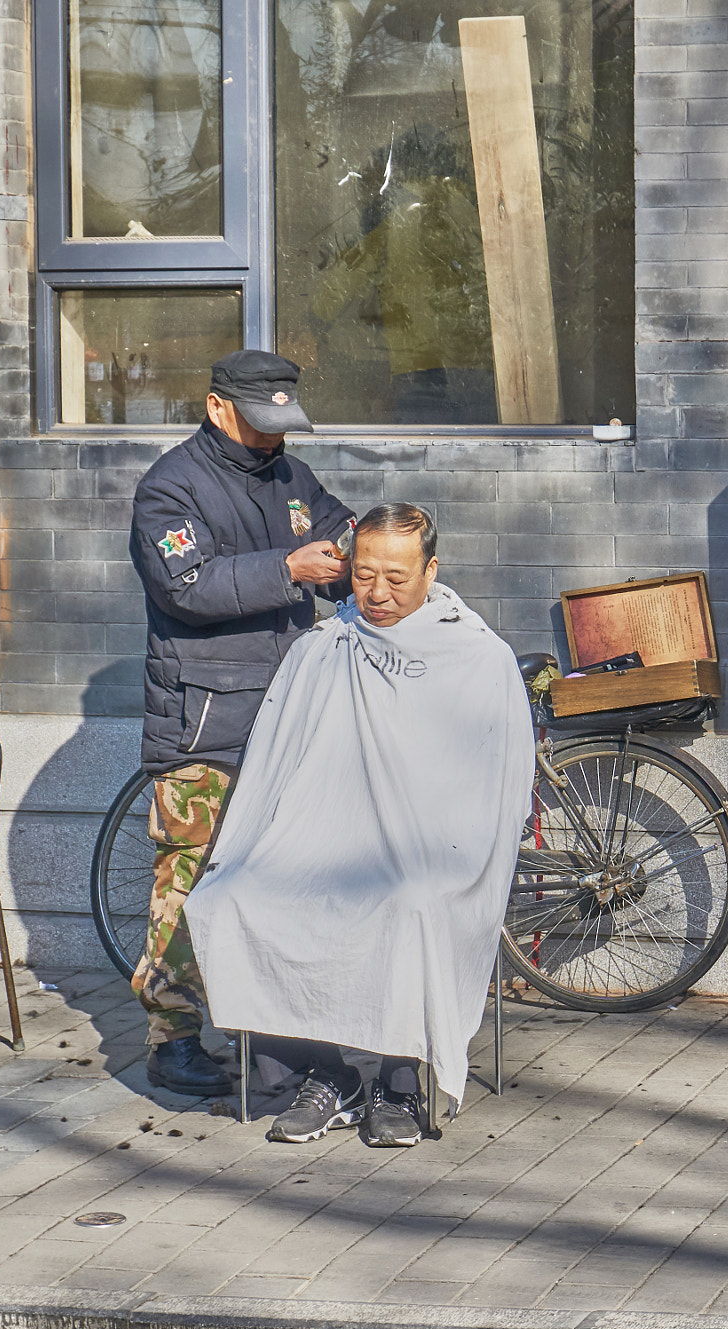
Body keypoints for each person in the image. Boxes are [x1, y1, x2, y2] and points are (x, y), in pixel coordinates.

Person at [181, 504, 534, 1148]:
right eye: (364, 575)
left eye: (397, 579)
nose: (377, 594)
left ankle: (396, 1084)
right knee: (241, 897)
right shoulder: (326, 645)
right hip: (323, 840)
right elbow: (279, 765)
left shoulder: (476, 656)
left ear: (432, 569)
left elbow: (495, 789)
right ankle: (326, 1076)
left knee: (407, 904)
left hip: (434, 852)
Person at [126, 350, 355, 1098]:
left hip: (289, 714)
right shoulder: (170, 487)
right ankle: (173, 1038)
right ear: (218, 407)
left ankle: (273, 1033)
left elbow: (337, 530)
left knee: (283, 879)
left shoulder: (289, 472)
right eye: (261, 424)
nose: (273, 439)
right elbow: (189, 586)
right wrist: (290, 569)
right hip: (205, 725)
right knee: (188, 882)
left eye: (283, 424)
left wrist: (368, 555)